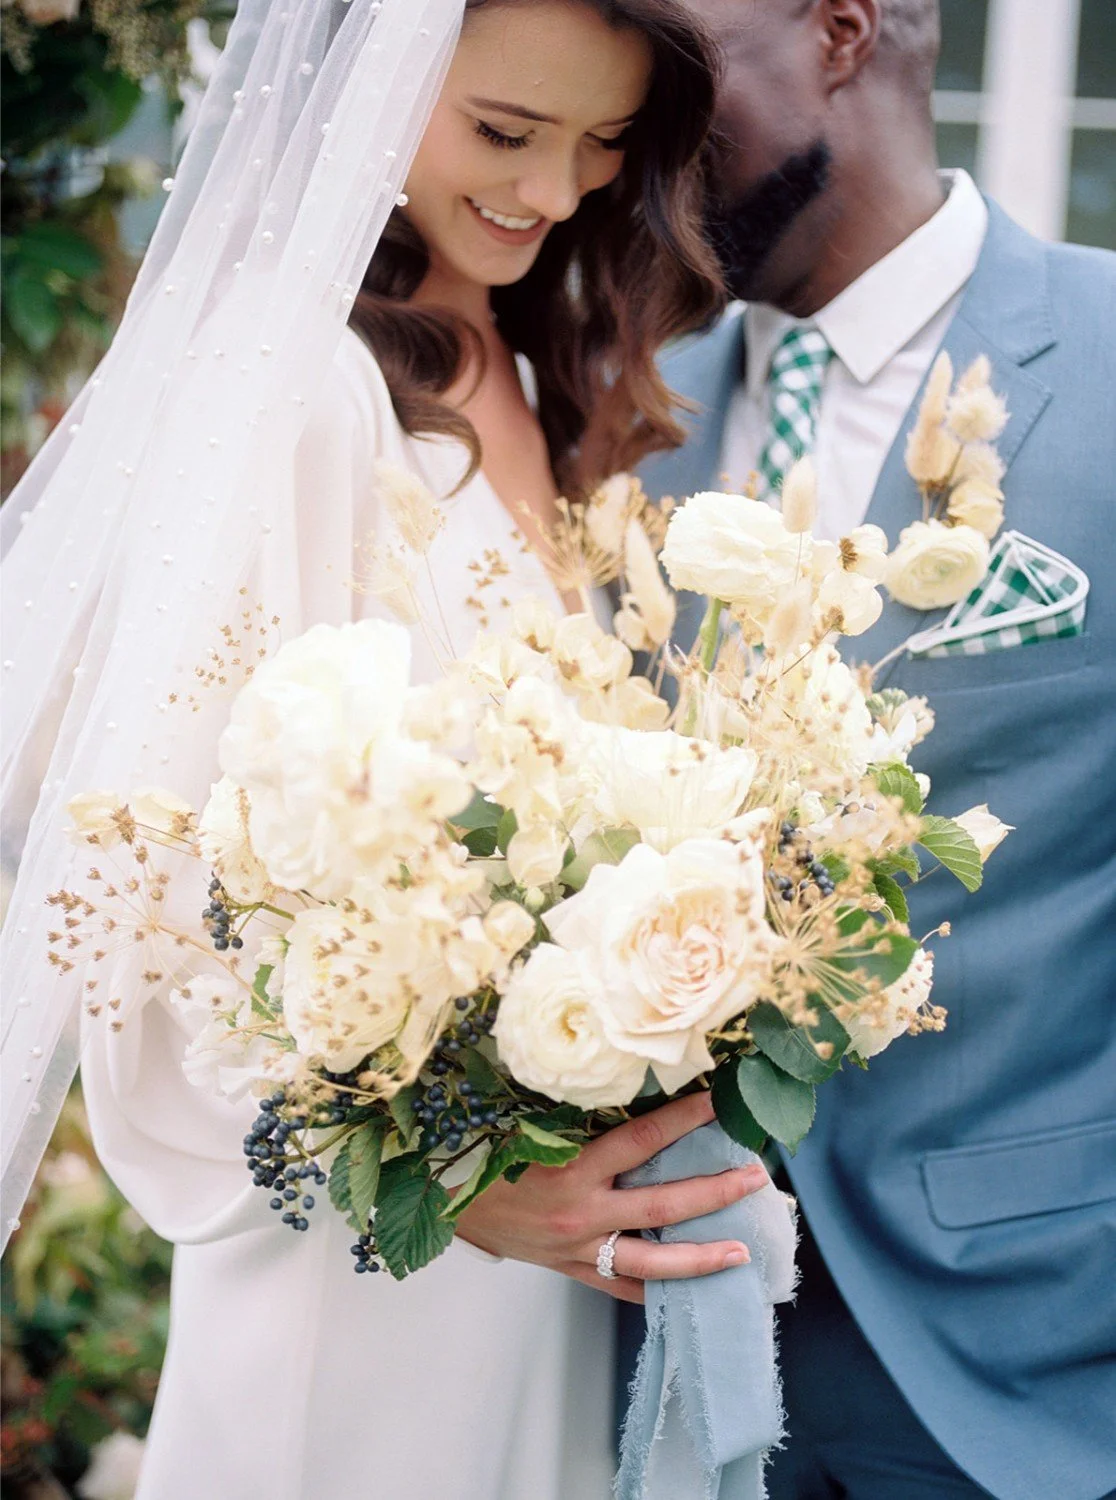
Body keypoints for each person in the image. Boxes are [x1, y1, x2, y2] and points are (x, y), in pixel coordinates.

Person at [0, 2, 775, 1497]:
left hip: (539, 1259)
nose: (554, 194)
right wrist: (462, 1188)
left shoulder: (541, 367)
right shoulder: (287, 391)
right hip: (364, 1265)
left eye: (605, 145)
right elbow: (146, 879)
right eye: (504, 132)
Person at [632, 2, 1116, 1498]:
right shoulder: (630, 411)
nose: (634, 140)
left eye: (676, 76)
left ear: (840, 28)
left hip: (1034, 1358)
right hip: (667, 1351)